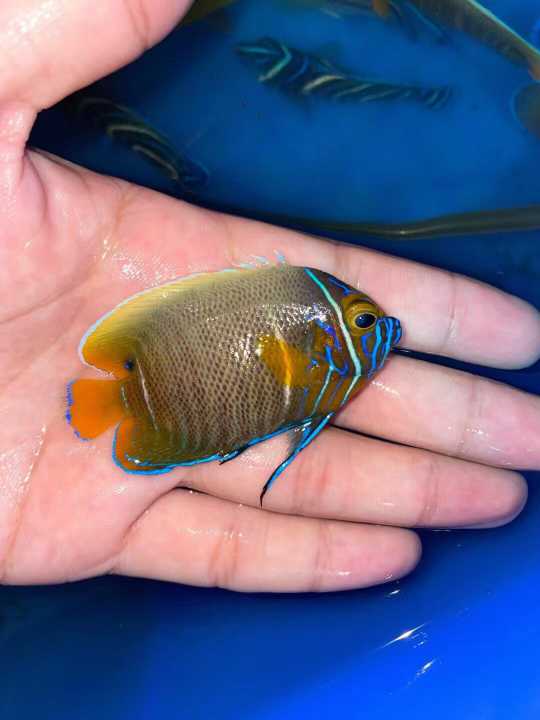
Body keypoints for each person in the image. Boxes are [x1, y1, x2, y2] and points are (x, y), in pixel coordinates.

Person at [0, 0, 538, 593]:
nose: (383, 327)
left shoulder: (322, 338)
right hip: (174, 377)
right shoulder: (323, 340)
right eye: (363, 321)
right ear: (329, 335)